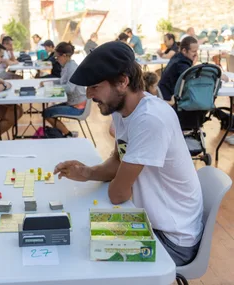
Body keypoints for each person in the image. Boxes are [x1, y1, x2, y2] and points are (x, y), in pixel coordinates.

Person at [55, 41, 203, 266]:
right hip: (152, 222)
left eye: (94, 86)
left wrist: (111, 180)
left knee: (79, 259)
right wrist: (86, 172)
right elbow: (118, 161)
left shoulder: (150, 119)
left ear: (123, 82)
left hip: (171, 238)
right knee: (72, 241)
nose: (88, 94)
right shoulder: (121, 109)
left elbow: (118, 195)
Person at [41, 42, 87, 137]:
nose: (56, 60)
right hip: (72, 102)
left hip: (78, 106)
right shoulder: (67, 65)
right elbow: (62, 81)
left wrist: (51, 87)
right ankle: (67, 134)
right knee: (47, 111)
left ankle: (68, 134)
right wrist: (49, 83)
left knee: (47, 113)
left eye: (57, 57)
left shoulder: (72, 68)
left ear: (64, 56)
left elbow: (70, 88)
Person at [158, 36, 198, 102]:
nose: (196, 54)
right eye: (194, 51)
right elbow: (191, 82)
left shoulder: (177, 57)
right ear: (184, 51)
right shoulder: (182, 64)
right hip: (169, 99)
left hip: (165, 94)